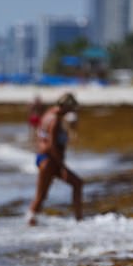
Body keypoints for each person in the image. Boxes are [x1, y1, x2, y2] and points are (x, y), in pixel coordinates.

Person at [26, 93, 83, 226]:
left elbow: (40, 138)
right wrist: (61, 165)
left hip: (44, 158)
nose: (72, 111)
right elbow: (52, 145)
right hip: (50, 160)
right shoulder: (55, 120)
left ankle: (31, 221)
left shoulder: (48, 114)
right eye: (71, 109)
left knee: (42, 195)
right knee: (76, 184)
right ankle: (79, 219)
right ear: (66, 107)